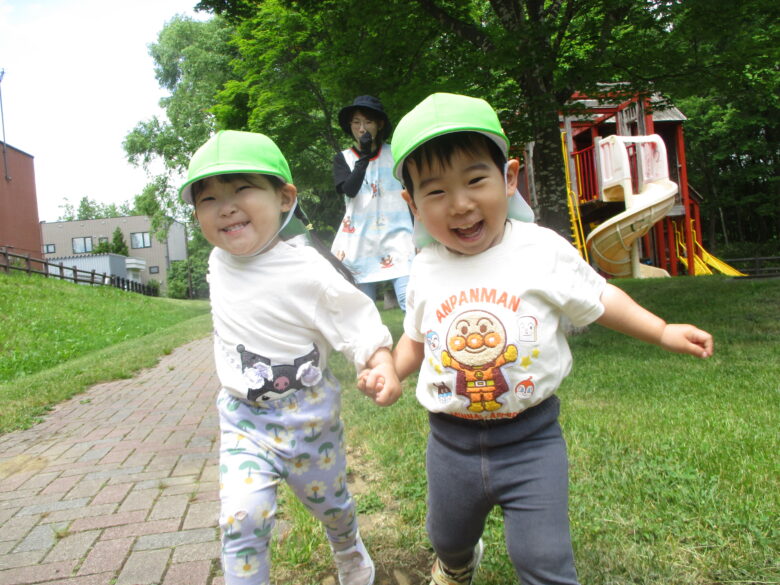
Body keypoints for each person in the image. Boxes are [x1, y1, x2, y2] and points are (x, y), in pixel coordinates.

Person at [360, 93, 714, 585]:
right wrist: (390, 370)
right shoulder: (424, 267)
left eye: (475, 180)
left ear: (508, 178)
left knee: (544, 560)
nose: (460, 204)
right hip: (451, 443)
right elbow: (416, 341)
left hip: (531, 441)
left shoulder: (540, 250)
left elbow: (600, 296)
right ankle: (458, 564)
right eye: (436, 192)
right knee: (447, 535)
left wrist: (661, 330)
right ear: (411, 204)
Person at [180, 130, 402, 585]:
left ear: (284, 198)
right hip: (243, 418)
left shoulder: (306, 270)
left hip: (308, 417)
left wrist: (378, 361)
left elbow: (354, 315)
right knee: (242, 518)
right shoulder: (217, 262)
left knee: (332, 506)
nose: (226, 207)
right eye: (209, 199)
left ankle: (347, 547)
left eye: (243, 189)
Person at [331, 95, 416, 310]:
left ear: (379, 124)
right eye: (356, 122)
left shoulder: (396, 154)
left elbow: (413, 191)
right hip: (358, 241)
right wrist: (364, 158)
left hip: (399, 237)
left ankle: (417, 344)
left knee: (411, 301)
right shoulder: (343, 158)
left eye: (368, 122)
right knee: (364, 310)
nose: (362, 128)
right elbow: (349, 190)